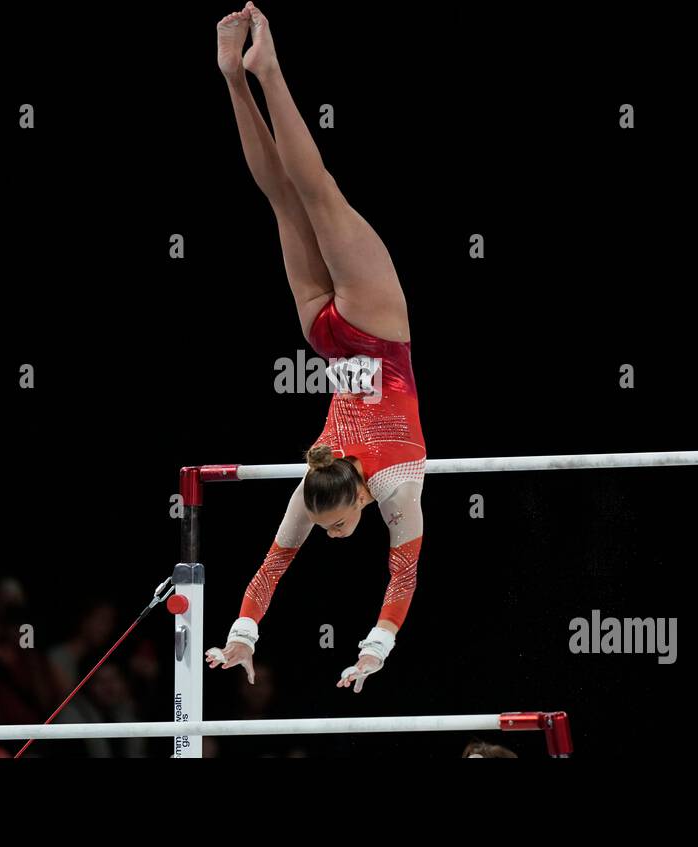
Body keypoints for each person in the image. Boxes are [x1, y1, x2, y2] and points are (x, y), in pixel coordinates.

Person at [207, 4, 425, 694]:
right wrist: (374, 649)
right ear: (356, 492)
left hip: (360, 329)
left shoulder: (366, 484)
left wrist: (246, 634)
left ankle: (249, 74)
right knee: (298, 193)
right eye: (336, 525)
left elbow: (281, 566)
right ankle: (244, 76)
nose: (333, 533)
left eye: (330, 525)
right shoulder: (351, 483)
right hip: (345, 330)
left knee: (301, 192)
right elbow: (398, 573)